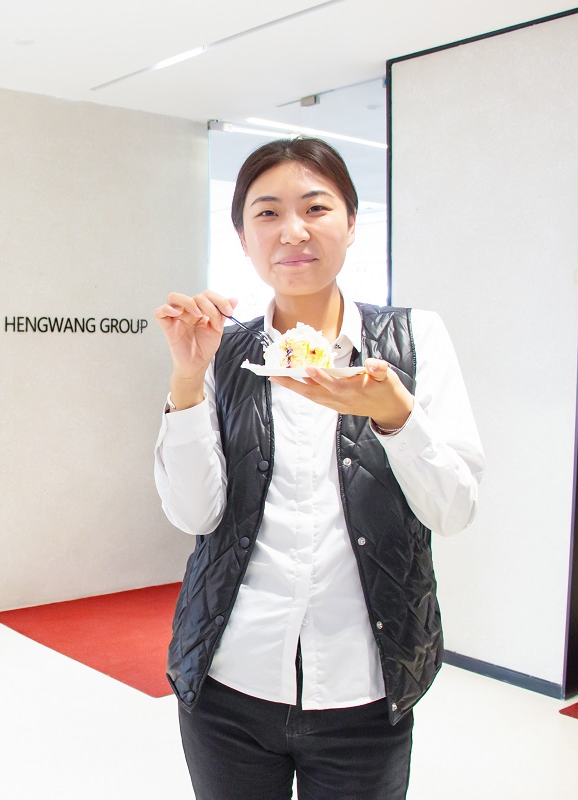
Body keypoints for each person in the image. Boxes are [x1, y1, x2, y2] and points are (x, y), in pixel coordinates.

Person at [153, 138, 484, 799]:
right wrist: (187, 379)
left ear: (352, 223)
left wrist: (395, 417)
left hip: (364, 688)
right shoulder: (222, 352)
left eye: (315, 208)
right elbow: (194, 514)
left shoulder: (413, 341)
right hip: (229, 680)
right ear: (243, 237)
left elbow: (453, 511)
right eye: (267, 213)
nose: (293, 232)